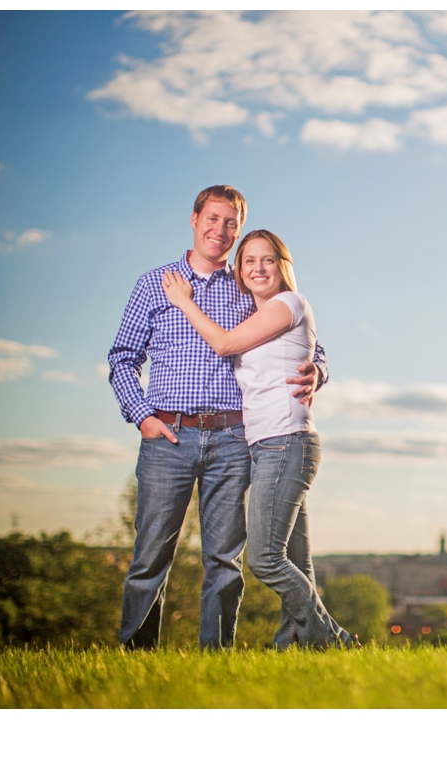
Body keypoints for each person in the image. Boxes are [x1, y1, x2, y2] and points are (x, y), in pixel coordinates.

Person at [108, 185, 324, 650]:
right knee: (150, 557)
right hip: (168, 434)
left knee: (224, 560)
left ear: (239, 230)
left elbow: (306, 338)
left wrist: (319, 370)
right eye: (213, 219)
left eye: (231, 223)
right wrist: (142, 415)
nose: (221, 231)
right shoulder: (156, 284)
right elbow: (123, 357)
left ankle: (216, 658)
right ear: (194, 219)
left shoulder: (248, 284)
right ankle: (136, 656)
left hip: (233, 438)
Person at [161, 229, 357, 650]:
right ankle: (295, 648)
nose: (258, 268)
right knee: (297, 560)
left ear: (282, 265)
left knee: (265, 560)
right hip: (270, 445)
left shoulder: (288, 303)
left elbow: (225, 344)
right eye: (249, 261)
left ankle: (333, 639)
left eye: (267, 259)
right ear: (239, 270)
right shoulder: (259, 314)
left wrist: (184, 301)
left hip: (285, 442)